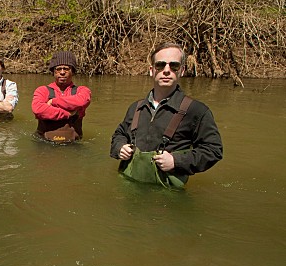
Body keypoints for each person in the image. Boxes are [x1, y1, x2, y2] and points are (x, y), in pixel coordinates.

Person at [110, 42, 223, 188]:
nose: (166, 70)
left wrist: (176, 161)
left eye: (174, 66)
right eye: (160, 65)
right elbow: (119, 134)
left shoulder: (197, 111)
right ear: (152, 70)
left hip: (166, 195)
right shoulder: (136, 107)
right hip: (128, 184)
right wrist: (120, 147)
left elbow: (213, 150)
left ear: (182, 71)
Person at [31, 50, 91, 143]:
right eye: (58, 69)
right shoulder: (42, 90)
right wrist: (68, 114)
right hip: (44, 144)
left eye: (66, 69)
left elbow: (82, 101)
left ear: (73, 71)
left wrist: (53, 102)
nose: (62, 72)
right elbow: (38, 110)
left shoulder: (82, 90)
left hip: (74, 145)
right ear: (53, 72)